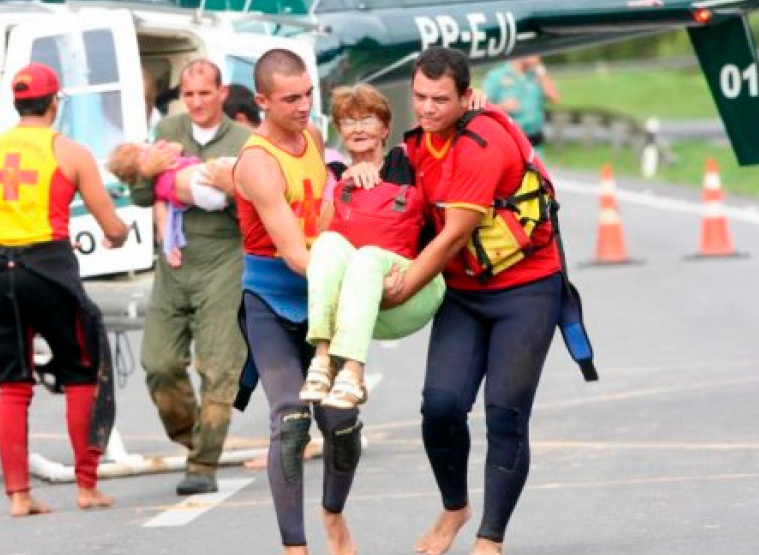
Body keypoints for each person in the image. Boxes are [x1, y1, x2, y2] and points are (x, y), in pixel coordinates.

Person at [377, 47, 563, 555]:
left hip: (525, 289)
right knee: (439, 407)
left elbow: (453, 236)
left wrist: (400, 292)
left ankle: (490, 538)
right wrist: (358, 177)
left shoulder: (482, 141)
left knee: (504, 413)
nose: (427, 108)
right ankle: (454, 507)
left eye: (440, 99)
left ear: (465, 97)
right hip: (464, 293)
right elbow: (388, 216)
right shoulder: (416, 147)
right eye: (419, 96)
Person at [0, 62, 129, 516]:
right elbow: (111, 223)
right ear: (54, 102)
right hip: (48, 270)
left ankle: (19, 496)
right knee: (81, 371)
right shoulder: (70, 151)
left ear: (16, 103)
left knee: (12, 382)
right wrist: (115, 236)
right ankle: (86, 486)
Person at [234, 48, 359, 555]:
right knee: (290, 420)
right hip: (273, 299)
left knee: (343, 423)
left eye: (308, 93)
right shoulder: (257, 163)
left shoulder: (311, 135)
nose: (304, 105)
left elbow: (329, 212)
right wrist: (359, 287)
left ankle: (332, 515)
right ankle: (295, 549)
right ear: (262, 100)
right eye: (290, 98)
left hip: (321, 298)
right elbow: (294, 255)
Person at [129, 59, 252, 496]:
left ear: (221, 93)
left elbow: (257, 207)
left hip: (223, 258)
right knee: (158, 364)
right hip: (174, 261)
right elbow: (142, 195)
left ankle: (202, 464)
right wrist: (145, 175)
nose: (197, 102)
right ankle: (193, 437)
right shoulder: (168, 131)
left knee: (218, 367)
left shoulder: (245, 140)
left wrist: (226, 189)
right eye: (190, 94)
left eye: (205, 93)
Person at [298, 84, 446, 410]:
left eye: (367, 119)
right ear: (339, 130)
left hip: (408, 282)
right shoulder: (334, 174)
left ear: (384, 128)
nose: (359, 128)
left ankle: (353, 371)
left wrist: (473, 98)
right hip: (358, 295)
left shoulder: (406, 161)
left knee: (367, 257)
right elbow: (319, 241)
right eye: (349, 122)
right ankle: (322, 360)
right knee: (329, 243)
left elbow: (446, 132)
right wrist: (346, 185)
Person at [108, 141, 232, 268]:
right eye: (140, 152)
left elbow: (163, 221)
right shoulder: (156, 154)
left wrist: (169, 248)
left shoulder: (157, 190)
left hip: (208, 199)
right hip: (199, 177)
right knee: (229, 167)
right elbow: (178, 147)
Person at [482, 55, 560, 153]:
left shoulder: (537, 75)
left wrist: (540, 68)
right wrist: (502, 106)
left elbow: (554, 97)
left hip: (534, 144)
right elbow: (483, 109)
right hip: (510, 145)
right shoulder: (496, 76)